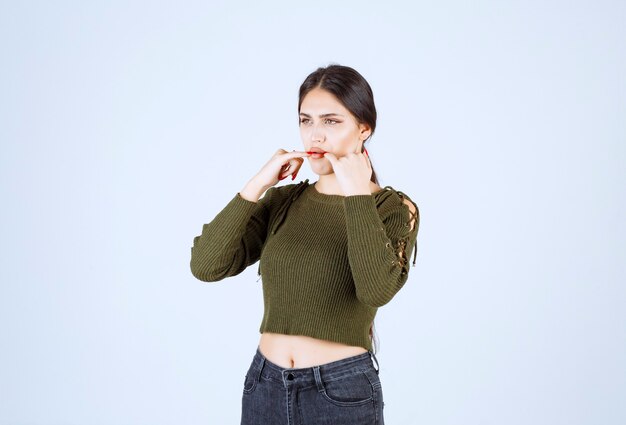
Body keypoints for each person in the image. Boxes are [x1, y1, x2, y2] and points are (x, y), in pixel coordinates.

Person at [190, 64, 419, 425]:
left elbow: (376, 289)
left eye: (331, 121)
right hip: (264, 385)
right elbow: (206, 266)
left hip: (341, 392)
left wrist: (357, 193)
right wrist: (255, 187)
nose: (315, 136)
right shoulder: (283, 202)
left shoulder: (392, 209)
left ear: (364, 129)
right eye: (306, 120)